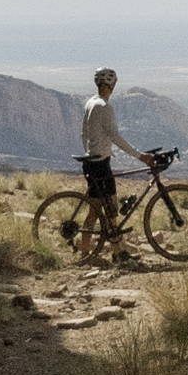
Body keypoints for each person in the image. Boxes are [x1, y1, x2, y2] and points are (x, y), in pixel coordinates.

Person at [77, 67, 150, 253]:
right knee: (104, 209)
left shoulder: (90, 102)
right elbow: (115, 136)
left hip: (92, 161)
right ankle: (108, 252)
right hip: (100, 164)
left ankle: (114, 251)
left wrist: (89, 152)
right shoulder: (104, 106)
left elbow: (83, 133)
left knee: (102, 209)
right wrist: (140, 156)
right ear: (113, 84)